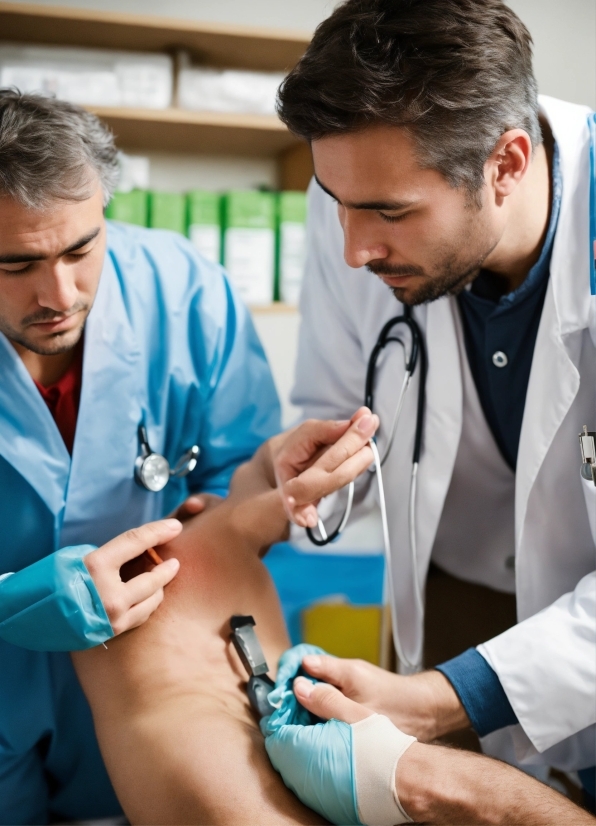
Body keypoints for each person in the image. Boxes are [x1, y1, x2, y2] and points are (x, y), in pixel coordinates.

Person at [275, 0, 596, 802]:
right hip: (461, 583)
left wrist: (450, 700)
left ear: (508, 163)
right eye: (336, 201)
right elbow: (333, 395)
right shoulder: (357, 184)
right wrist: (327, 466)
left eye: (390, 213)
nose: (354, 248)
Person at [71, 415, 594, 826]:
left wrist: (421, 777)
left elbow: (256, 481)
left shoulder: (193, 563)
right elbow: (258, 477)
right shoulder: (201, 558)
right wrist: (420, 774)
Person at [0, 89, 279, 823]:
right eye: (16, 263)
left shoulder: (188, 292)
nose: (57, 293)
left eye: (81, 249)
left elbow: (239, 465)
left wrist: (228, 508)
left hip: (157, 676)